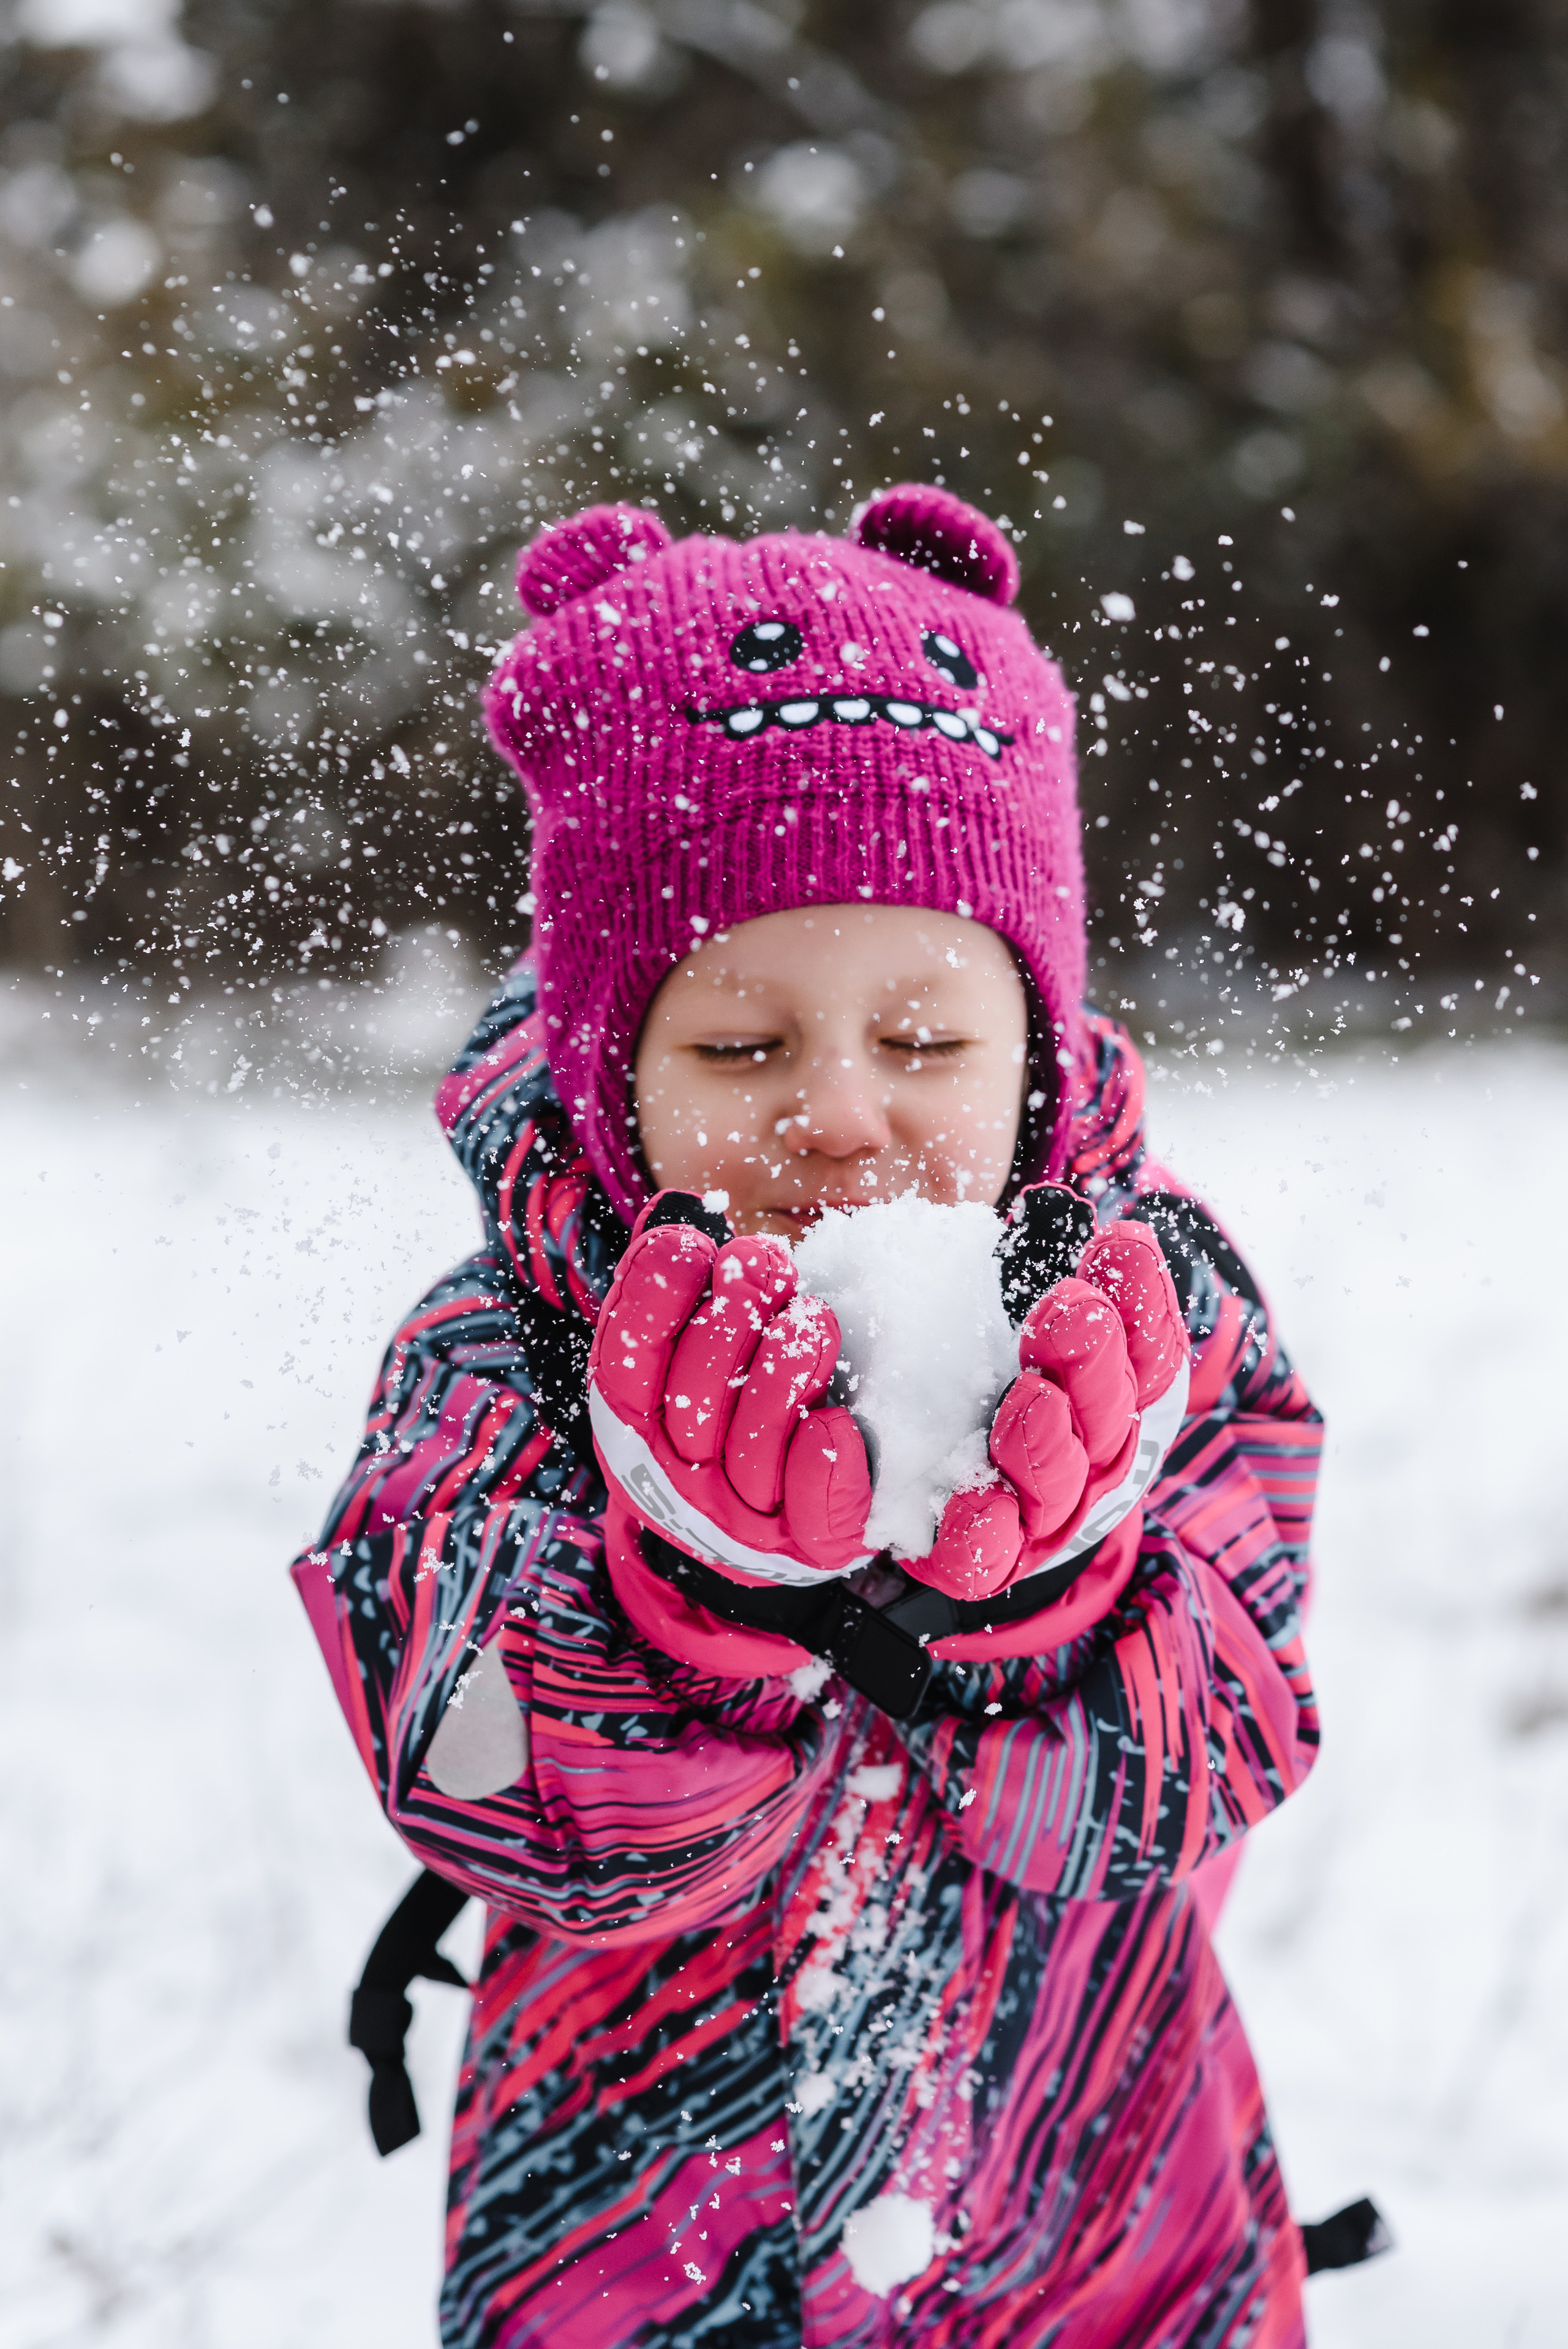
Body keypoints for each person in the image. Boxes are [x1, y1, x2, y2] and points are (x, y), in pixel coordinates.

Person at [293, 485, 1325, 2346]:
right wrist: (691, 1612)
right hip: (641, 2267)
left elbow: (1218, 1754)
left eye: (926, 1040)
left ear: (1040, 1045)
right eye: (743, 1047)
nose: (843, 1115)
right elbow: (497, 1797)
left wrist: (1040, 1608)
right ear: (613, 1072)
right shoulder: (496, 1360)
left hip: (1098, 2235)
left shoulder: (1158, 1323)